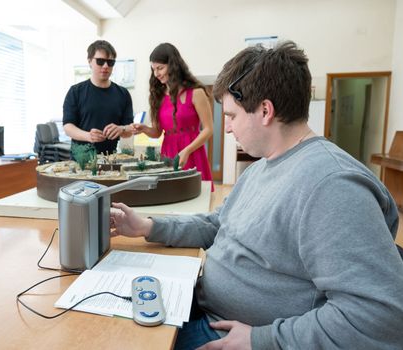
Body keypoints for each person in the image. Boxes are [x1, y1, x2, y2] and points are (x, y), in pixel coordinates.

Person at [111, 41, 403, 349]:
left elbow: (380, 316)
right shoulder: (262, 167)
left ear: (265, 111)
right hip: (203, 306)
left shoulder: (332, 186)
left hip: (234, 335)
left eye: (233, 116)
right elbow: (217, 225)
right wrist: (148, 226)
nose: (226, 129)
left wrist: (261, 340)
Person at [132, 43, 213, 185]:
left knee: (195, 197)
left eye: (160, 68)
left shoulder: (196, 93)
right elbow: (157, 133)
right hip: (168, 152)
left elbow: (208, 129)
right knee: (171, 195)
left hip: (192, 152)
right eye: (154, 69)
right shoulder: (158, 97)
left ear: (173, 65)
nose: (156, 74)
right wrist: (144, 129)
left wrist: (187, 150)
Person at [63, 40, 133, 155]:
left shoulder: (123, 94)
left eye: (110, 62)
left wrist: (121, 129)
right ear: (90, 61)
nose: (105, 66)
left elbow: (129, 129)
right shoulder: (75, 92)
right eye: (100, 61)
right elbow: (68, 127)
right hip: (82, 161)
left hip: (111, 160)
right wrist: (88, 136)